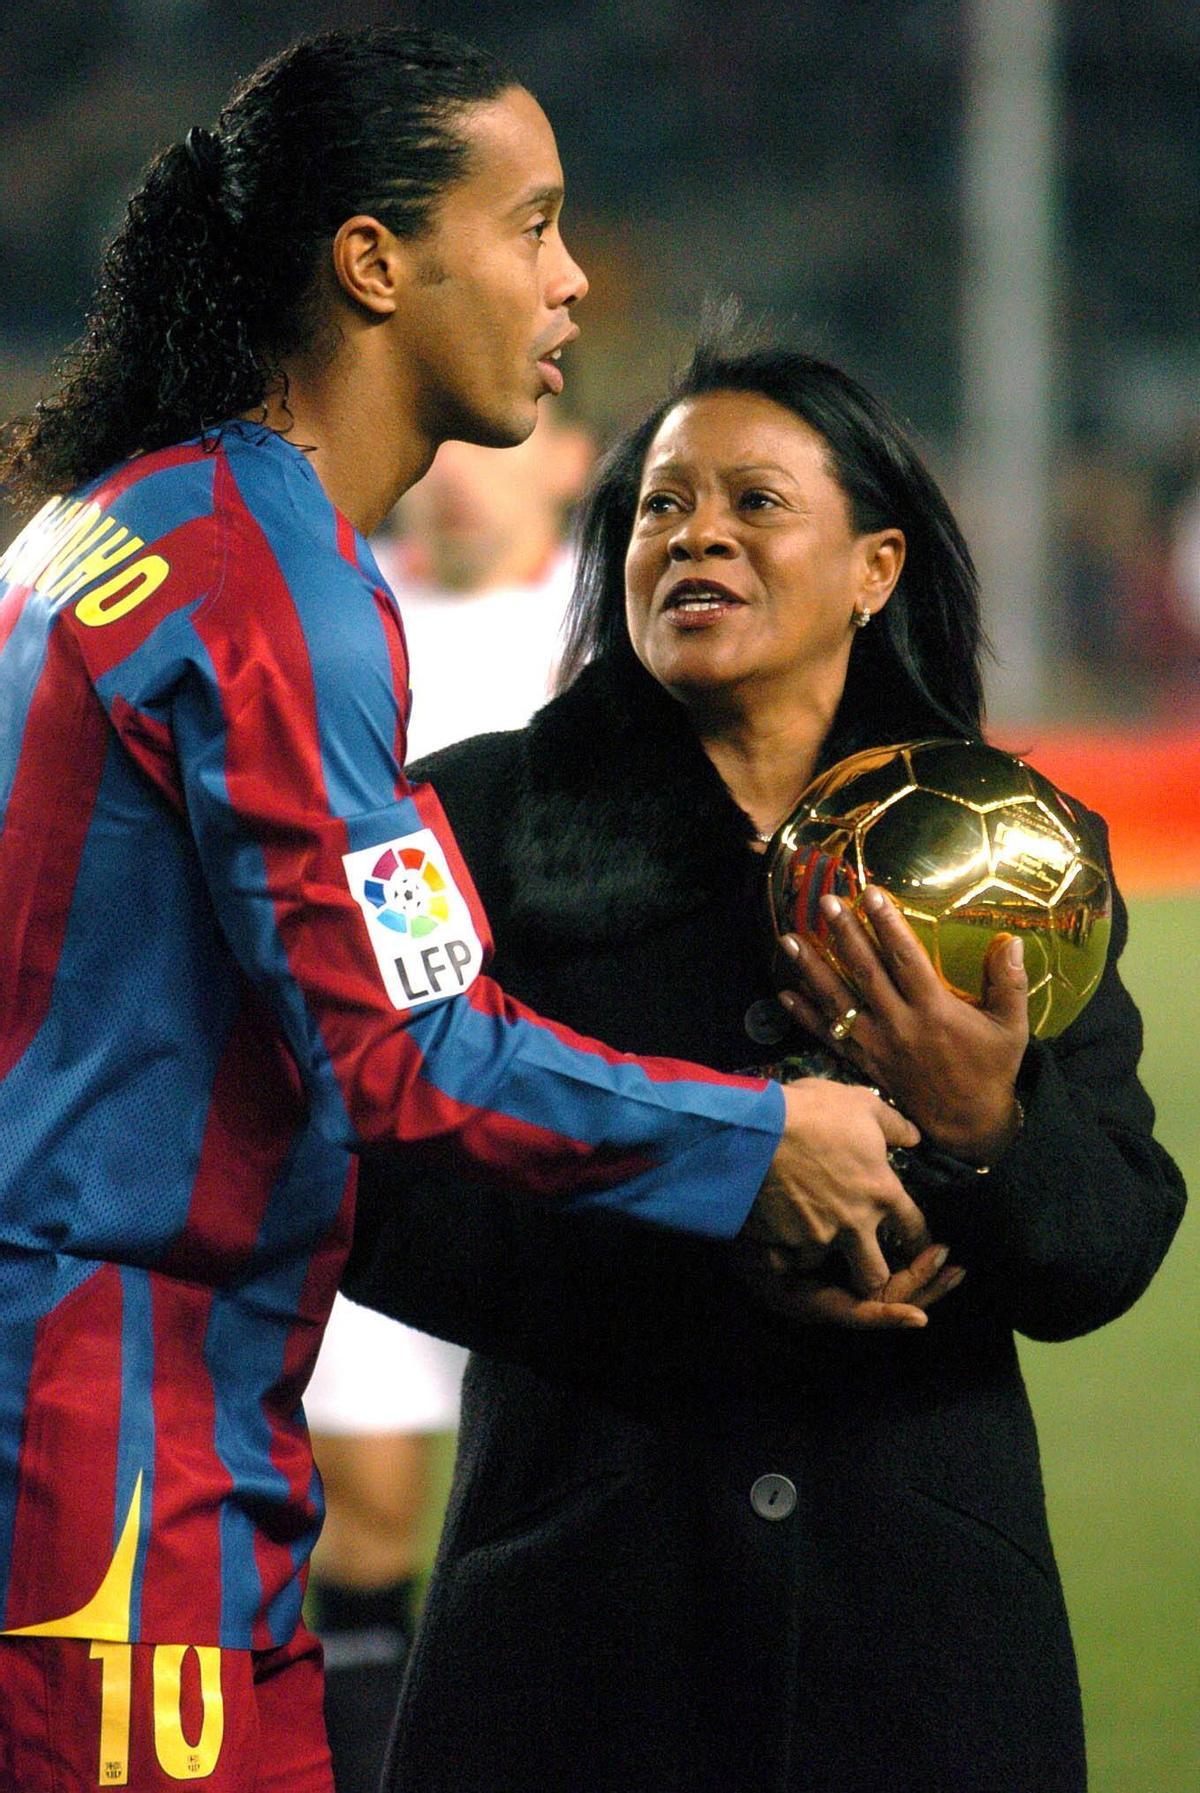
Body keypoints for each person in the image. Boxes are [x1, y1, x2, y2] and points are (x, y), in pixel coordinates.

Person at [0, 28, 933, 1793]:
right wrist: (766, 1135)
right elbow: (407, 1048)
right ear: (375, 264)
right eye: (532, 225)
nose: (574, 278)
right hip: (105, 1454)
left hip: (134, 1420)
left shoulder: (127, 523)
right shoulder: (259, 583)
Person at [347, 333, 1187, 1793]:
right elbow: (359, 1185)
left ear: (876, 566)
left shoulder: (1024, 851)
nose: (697, 534)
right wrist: (705, 1231)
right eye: (662, 506)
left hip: (920, 1651)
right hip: (572, 1638)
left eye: (753, 501)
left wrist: (993, 1123)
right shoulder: (465, 822)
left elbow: (1111, 1238)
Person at [305, 406, 593, 1792]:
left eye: (496, 441)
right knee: (365, 1515)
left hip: (569, 1124)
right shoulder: (340, 610)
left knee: (560, 1506)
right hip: (380, 1120)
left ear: (572, 453)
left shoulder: (620, 631)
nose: (457, 474)